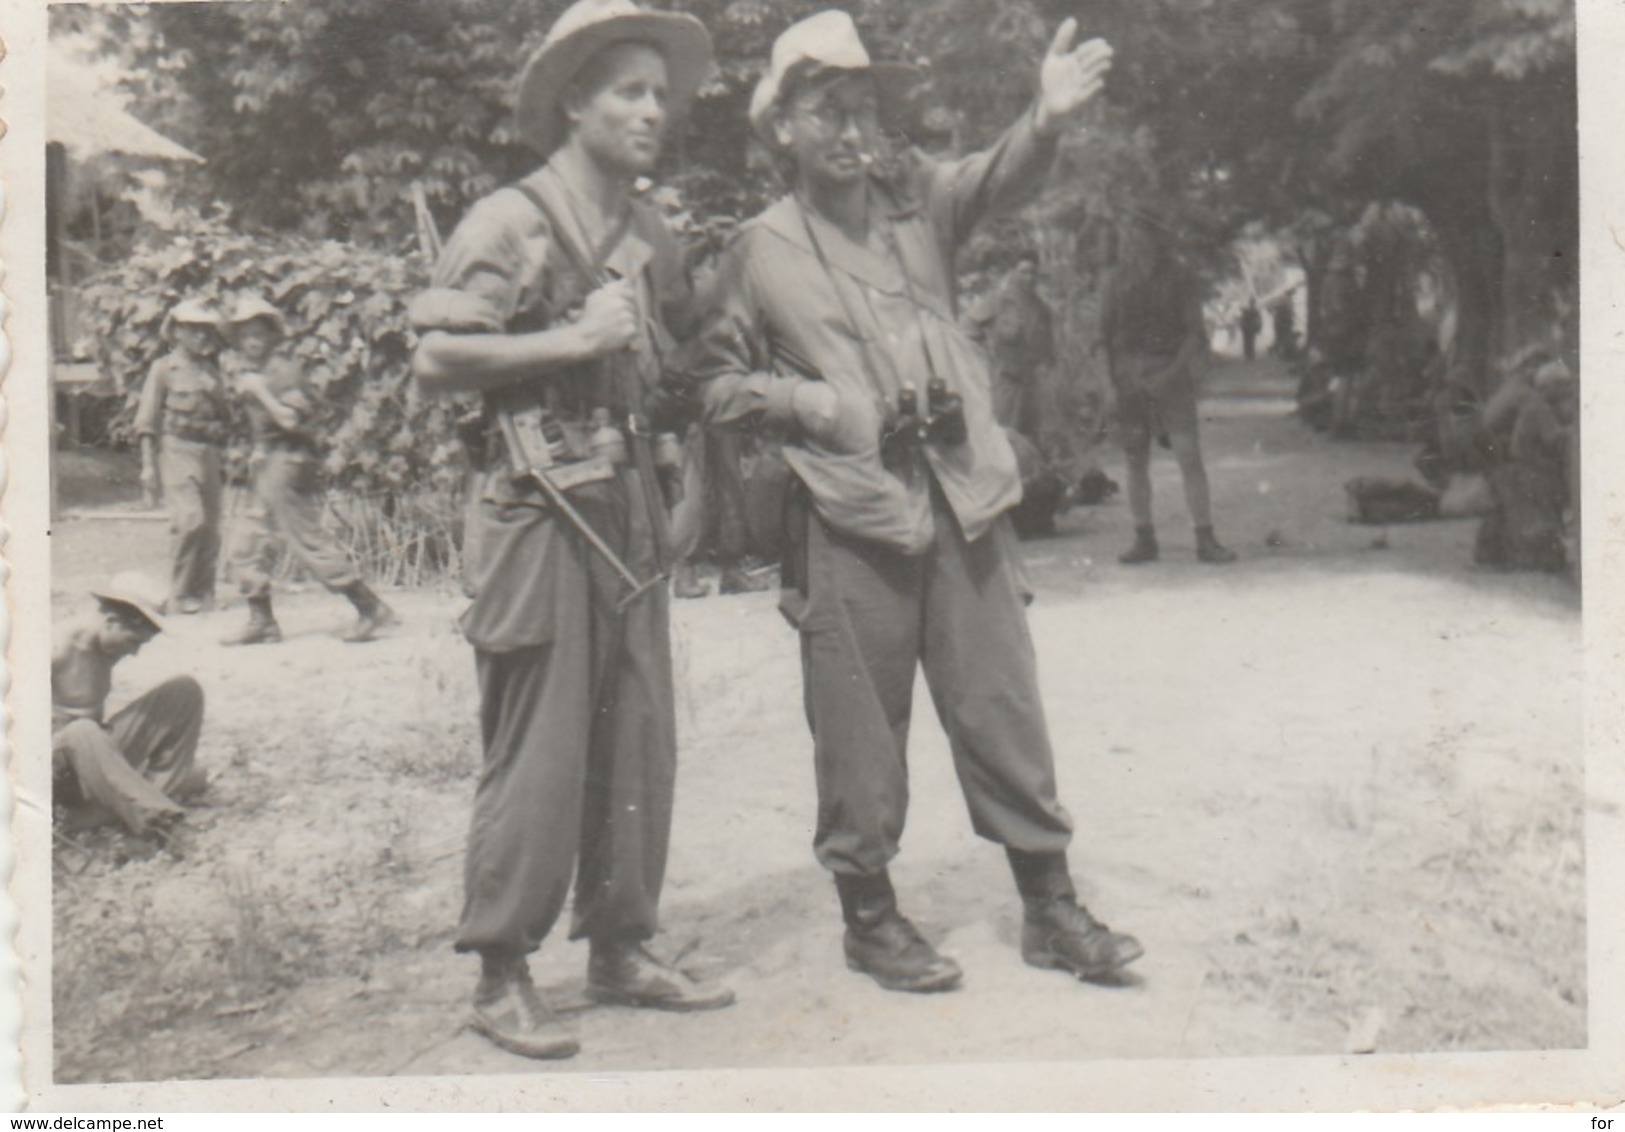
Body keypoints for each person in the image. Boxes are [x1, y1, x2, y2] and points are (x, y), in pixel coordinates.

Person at [693, 9, 1141, 994]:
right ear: (781, 129)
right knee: (858, 725)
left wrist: (1047, 117)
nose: (854, 133)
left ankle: (1050, 906)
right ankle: (869, 916)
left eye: (866, 110)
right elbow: (712, 386)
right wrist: (806, 399)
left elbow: (998, 174)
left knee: (1001, 705)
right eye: (829, 113)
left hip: (960, 493)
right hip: (849, 510)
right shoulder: (755, 251)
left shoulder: (918, 207)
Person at [409, 0, 734, 1061]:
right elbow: (438, 360)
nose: (653, 110)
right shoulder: (509, 221)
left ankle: (620, 945)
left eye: (660, 93)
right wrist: (566, 337)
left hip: (629, 502)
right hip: (534, 507)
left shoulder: (649, 233)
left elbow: (667, 366)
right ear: (573, 102)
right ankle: (501, 974)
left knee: (638, 735)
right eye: (630, 91)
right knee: (540, 746)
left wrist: (683, 479)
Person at [220, 296, 399, 646]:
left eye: (259, 334)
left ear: (272, 337)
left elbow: (292, 420)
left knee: (305, 541)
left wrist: (261, 393)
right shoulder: (252, 372)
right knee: (246, 540)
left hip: (289, 462)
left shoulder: (282, 372)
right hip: (268, 462)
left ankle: (371, 608)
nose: (251, 341)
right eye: (245, 335)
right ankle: (262, 620)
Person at [1101, 207, 1236, 565]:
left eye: (1143, 233)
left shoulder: (1180, 278)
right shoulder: (1116, 280)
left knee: (1189, 456)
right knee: (1135, 459)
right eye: (1130, 234)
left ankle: (1205, 538)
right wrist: (1112, 383)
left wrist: (1171, 374)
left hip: (1170, 373)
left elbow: (1195, 334)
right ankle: (1144, 537)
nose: (1134, 241)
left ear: (1157, 238)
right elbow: (1105, 335)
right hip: (1129, 376)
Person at [52, 573, 206, 839]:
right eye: (134, 641)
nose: (134, 653)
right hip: (51, 770)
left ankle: (129, 805)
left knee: (184, 690)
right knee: (83, 731)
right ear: (111, 622)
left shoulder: (102, 646)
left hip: (90, 759)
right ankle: (156, 819)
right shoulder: (53, 648)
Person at [134, 299, 229, 614]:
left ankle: (203, 593)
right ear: (177, 332)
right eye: (194, 330)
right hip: (177, 449)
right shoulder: (163, 369)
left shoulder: (214, 371)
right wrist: (148, 466)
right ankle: (179, 593)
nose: (202, 336)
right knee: (190, 521)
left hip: (210, 452)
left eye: (206, 330)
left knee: (212, 526)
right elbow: (147, 422)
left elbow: (227, 415)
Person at [980, 251, 1054, 439]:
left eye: (1033, 273)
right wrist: (982, 359)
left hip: (1032, 389)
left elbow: (1050, 353)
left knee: (1032, 442)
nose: (1028, 278)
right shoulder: (1000, 301)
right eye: (1023, 272)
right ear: (1014, 272)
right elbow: (968, 327)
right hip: (1006, 383)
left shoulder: (1042, 310)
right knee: (1004, 439)